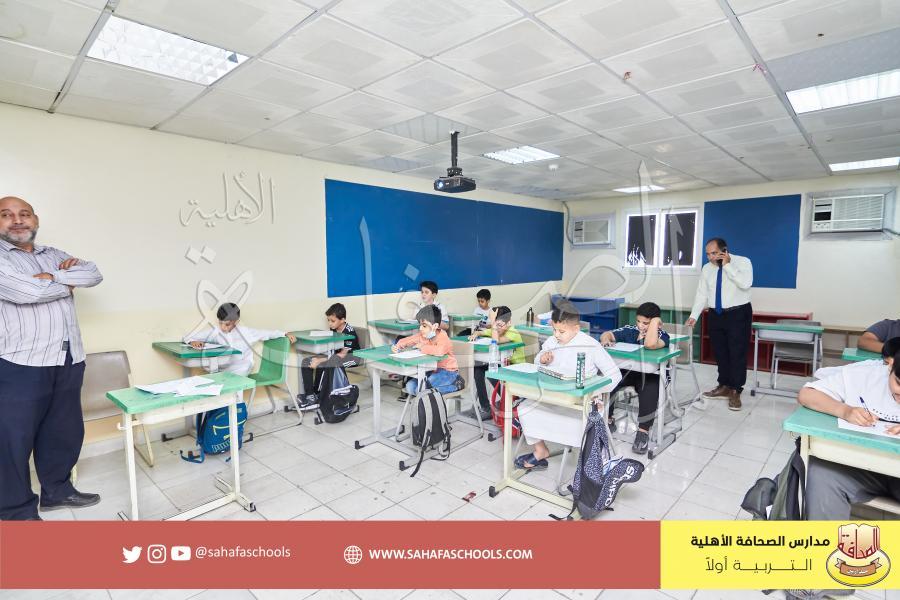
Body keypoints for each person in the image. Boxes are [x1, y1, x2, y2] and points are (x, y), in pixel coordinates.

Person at [0, 196, 104, 520]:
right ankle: (16, 512)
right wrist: (65, 283)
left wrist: (54, 278)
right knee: (12, 441)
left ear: (36, 220)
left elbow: (93, 273)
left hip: (68, 356)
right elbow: (27, 292)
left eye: (24, 214)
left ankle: (57, 491)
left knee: (63, 431)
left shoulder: (54, 254)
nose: (17, 220)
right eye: (6, 215)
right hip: (21, 362)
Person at [515, 302, 621, 471]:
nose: (556, 335)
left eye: (561, 331)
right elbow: (537, 360)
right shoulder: (552, 341)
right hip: (553, 397)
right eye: (554, 329)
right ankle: (541, 450)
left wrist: (595, 392)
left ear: (576, 329)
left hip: (580, 402)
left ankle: (587, 461)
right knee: (525, 408)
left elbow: (615, 375)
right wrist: (542, 359)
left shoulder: (591, 345)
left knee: (574, 422)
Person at [797, 348, 900, 520]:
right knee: (821, 473)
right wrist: (845, 411)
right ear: (891, 365)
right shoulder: (864, 376)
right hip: (863, 467)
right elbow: (806, 394)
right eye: (898, 383)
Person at [686, 237, 753, 411]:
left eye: (714, 253)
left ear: (724, 250)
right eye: (708, 254)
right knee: (720, 352)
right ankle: (724, 385)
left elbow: (746, 284)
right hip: (715, 314)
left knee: (737, 352)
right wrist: (694, 315)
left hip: (738, 313)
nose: (710, 257)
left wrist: (728, 266)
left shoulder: (743, 262)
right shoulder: (707, 268)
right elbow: (702, 293)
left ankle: (736, 390)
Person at [600, 301, 670, 454]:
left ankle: (643, 431)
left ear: (655, 322)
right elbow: (607, 334)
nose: (640, 325)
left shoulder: (662, 335)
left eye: (646, 323)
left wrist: (655, 323)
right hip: (627, 371)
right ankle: (607, 419)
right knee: (607, 380)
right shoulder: (630, 330)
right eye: (638, 321)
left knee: (650, 388)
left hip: (649, 375)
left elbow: (650, 344)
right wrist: (606, 340)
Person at [183, 302, 295, 376]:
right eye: (220, 323)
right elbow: (188, 336)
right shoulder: (216, 331)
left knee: (235, 379)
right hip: (223, 367)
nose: (223, 327)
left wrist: (284, 333)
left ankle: (235, 403)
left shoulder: (246, 332)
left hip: (241, 367)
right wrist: (192, 341)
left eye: (227, 324)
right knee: (209, 373)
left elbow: (267, 333)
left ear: (236, 322)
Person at [298, 302, 361, 411]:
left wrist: (320, 360)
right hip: (335, 357)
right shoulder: (334, 329)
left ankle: (319, 395)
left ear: (342, 320)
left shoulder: (349, 333)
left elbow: (342, 355)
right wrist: (318, 359)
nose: (330, 324)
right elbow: (333, 351)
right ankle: (310, 395)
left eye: (332, 321)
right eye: (328, 320)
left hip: (352, 358)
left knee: (325, 364)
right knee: (306, 361)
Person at [468, 305, 525, 420]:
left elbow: (496, 340)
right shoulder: (497, 329)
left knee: (492, 372)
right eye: (495, 324)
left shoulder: (512, 332)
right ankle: (486, 407)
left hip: (515, 370)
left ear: (509, 323)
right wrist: (476, 334)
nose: (497, 328)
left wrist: (493, 323)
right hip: (503, 365)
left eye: (499, 325)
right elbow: (482, 332)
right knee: (478, 370)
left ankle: (510, 399)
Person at [393, 305, 462, 396]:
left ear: (435, 326)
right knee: (410, 386)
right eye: (420, 325)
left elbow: (440, 351)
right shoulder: (422, 335)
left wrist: (422, 347)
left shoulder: (442, 336)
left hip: (448, 371)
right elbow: (406, 340)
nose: (420, 328)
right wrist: (397, 346)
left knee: (422, 390)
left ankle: (455, 384)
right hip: (431, 370)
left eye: (424, 326)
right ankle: (432, 393)